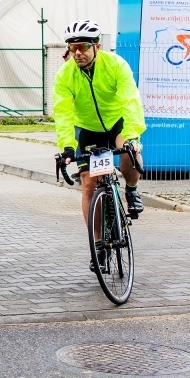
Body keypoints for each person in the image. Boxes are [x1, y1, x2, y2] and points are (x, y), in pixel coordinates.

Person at [53, 19, 146, 272]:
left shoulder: (116, 65)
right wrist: (68, 146)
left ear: (97, 46)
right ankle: (98, 245)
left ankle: (131, 189)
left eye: (83, 47)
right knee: (89, 183)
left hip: (117, 122)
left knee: (129, 153)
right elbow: (63, 113)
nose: (78, 53)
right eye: (73, 48)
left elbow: (131, 100)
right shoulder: (65, 75)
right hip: (89, 129)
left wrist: (132, 136)